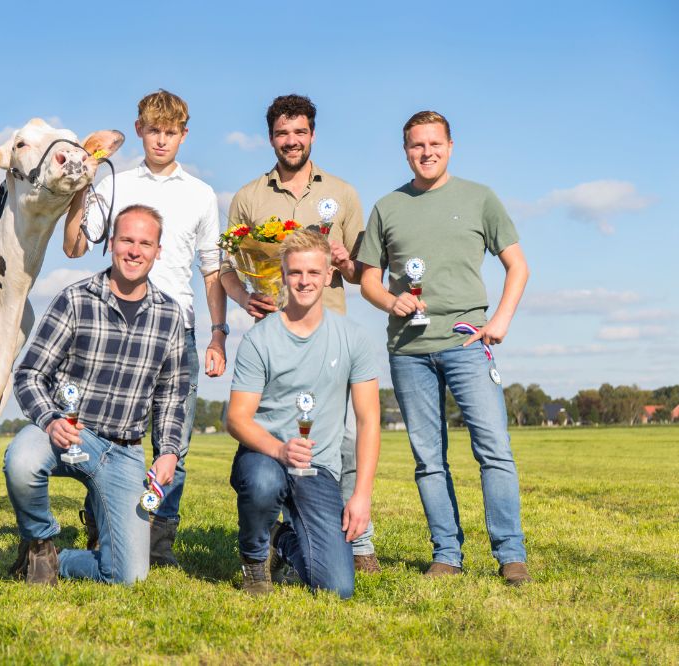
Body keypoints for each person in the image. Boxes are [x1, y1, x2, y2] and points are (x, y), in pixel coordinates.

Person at [356, 110, 532, 586]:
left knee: (493, 449)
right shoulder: (387, 207)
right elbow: (367, 278)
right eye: (416, 145)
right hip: (408, 351)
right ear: (405, 150)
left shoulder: (480, 198)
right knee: (428, 458)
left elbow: (518, 266)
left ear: (450, 146)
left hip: (467, 345)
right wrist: (391, 300)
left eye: (434, 143)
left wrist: (499, 320)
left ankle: (510, 554)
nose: (426, 152)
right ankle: (447, 554)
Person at [63, 89, 227, 567]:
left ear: (184, 135)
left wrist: (219, 332)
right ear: (139, 130)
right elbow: (75, 248)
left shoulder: (199, 194)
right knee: (103, 437)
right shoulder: (114, 185)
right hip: (115, 329)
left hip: (177, 332)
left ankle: (158, 542)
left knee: (174, 444)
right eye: (153, 130)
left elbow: (212, 269)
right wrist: (78, 194)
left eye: (170, 131)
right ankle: (102, 524)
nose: (161, 139)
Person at [219, 94, 381, 572]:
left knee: (345, 439)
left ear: (313, 135)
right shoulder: (249, 197)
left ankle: (359, 541)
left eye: (300, 132)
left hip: (329, 332)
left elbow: (360, 270)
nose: (292, 141)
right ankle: (266, 527)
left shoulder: (344, 193)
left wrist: (346, 261)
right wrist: (244, 297)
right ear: (271, 138)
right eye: (282, 133)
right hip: (277, 335)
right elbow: (228, 265)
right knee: (270, 432)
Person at [4, 204, 188, 586]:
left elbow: (171, 394)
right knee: (21, 460)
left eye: (145, 243)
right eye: (126, 240)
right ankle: (39, 539)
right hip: (68, 431)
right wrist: (52, 419)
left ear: (158, 251)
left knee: (129, 577)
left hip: (123, 451)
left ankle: (57, 559)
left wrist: (168, 450)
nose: (134, 251)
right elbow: (28, 373)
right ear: (111, 245)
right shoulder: (75, 299)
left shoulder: (170, 316)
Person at [226, 230, 381, 598]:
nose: (304, 281)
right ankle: (254, 558)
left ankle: (283, 539)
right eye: (295, 272)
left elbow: (368, 420)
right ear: (283, 274)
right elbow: (236, 418)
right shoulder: (260, 338)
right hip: (265, 457)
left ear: (329, 275)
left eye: (313, 272)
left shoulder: (354, 339)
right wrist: (279, 450)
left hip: (318, 467)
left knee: (337, 588)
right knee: (263, 483)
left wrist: (361, 496)